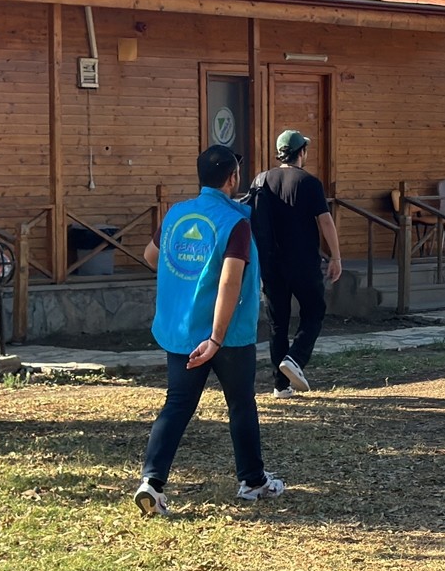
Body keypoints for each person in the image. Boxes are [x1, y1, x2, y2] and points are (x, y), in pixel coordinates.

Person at [133, 145, 284, 517]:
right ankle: (252, 480)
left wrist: (185, 281)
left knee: (177, 405)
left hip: (181, 332)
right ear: (233, 178)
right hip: (227, 336)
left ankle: (151, 482)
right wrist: (216, 337)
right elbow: (230, 282)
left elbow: (151, 256)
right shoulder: (235, 222)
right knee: (240, 404)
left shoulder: (176, 214)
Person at [250, 129, 342, 398]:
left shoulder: (261, 180)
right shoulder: (309, 182)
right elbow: (325, 221)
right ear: (302, 152)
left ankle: (281, 386)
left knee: (278, 324)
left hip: (271, 263)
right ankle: (295, 358)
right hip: (303, 262)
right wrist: (335, 256)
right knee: (314, 312)